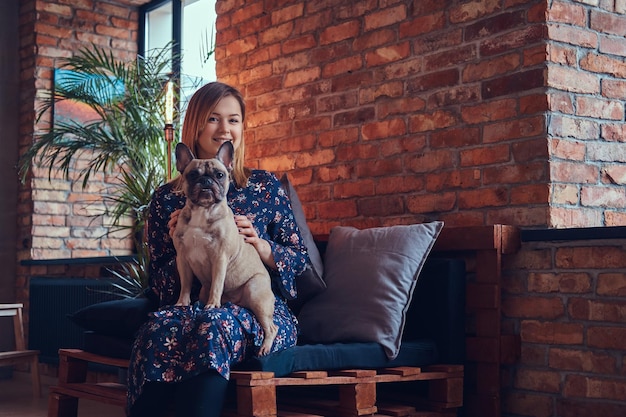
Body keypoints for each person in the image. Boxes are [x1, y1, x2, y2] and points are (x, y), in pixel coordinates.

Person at [127, 82, 310, 417]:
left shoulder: (264, 187)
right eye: (213, 119)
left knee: (214, 327)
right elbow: (159, 283)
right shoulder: (167, 199)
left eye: (234, 120)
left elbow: (300, 262)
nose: (225, 128)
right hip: (191, 306)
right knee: (158, 330)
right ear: (195, 125)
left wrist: (262, 246)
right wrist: (178, 243)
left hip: (257, 305)